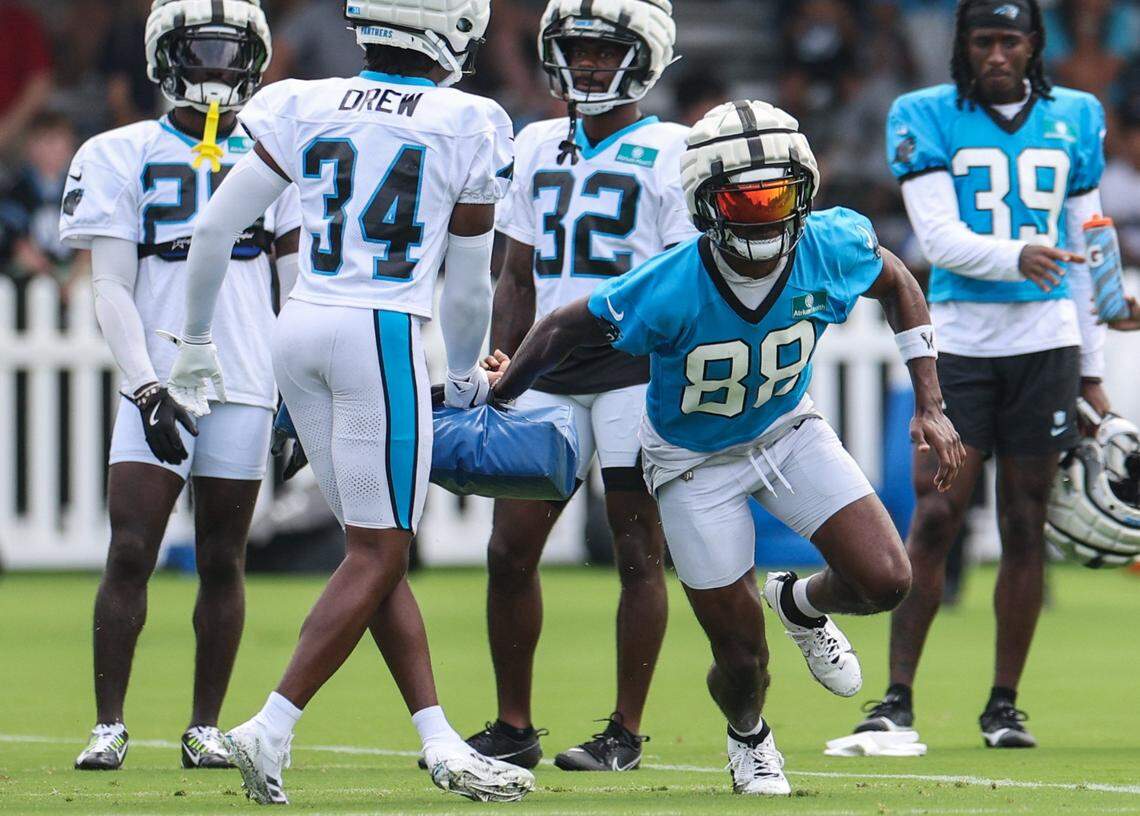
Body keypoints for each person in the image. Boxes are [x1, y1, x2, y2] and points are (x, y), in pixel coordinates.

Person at [486, 100, 964, 796]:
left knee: (887, 579)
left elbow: (898, 281)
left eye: (779, 194)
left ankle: (800, 603)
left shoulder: (831, 243)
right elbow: (563, 325)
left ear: (806, 190)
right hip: (691, 466)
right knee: (741, 658)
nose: (766, 212)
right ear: (707, 203)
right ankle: (749, 738)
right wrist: (503, 392)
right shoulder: (670, 282)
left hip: (786, 430)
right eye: (745, 197)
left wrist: (931, 402)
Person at [165, 0, 533, 805]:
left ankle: (439, 739)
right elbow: (469, 282)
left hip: (300, 326)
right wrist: (467, 375)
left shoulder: (303, 100)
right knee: (381, 550)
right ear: (450, 31)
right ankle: (271, 725)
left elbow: (214, 228)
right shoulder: (469, 118)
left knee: (373, 551)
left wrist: (194, 343)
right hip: (383, 329)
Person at [856, 0, 1113, 748]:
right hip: (961, 340)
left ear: (1034, 44)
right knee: (935, 517)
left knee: (1024, 524)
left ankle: (1004, 704)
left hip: (1047, 343)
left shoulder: (1078, 114)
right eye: (982, 40)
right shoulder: (923, 112)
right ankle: (896, 698)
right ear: (963, 45)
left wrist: (1097, 355)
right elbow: (938, 237)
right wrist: (1016, 258)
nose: (996, 53)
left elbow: (1086, 236)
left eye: (1010, 40)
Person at [60, 0, 301, 771]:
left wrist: (297, 392)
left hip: (247, 374)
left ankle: (205, 724)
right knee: (130, 548)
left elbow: (291, 279)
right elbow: (110, 286)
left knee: (225, 556)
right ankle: (108, 722)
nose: (218, 70)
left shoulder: (276, 150)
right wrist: (144, 386)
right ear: (166, 58)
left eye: (232, 55)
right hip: (158, 377)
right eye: (201, 53)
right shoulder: (116, 151)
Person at [463, 0, 692, 773]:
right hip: (550, 372)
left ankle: (624, 732)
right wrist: (502, 356)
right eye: (578, 50)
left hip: (636, 370)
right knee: (509, 549)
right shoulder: (533, 141)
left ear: (647, 55)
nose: (588, 65)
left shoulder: (673, 150)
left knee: (637, 551)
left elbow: (685, 282)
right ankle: (512, 723)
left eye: (604, 51)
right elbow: (516, 272)